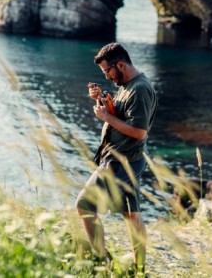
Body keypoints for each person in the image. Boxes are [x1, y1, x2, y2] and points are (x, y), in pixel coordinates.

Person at [75, 42, 158, 275]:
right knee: (132, 217)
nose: (108, 77)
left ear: (120, 64)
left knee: (84, 205)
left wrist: (104, 117)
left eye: (107, 72)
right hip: (128, 160)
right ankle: (139, 270)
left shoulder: (140, 89)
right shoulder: (127, 84)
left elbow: (140, 131)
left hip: (120, 162)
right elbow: (120, 116)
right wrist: (101, 99)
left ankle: (103, 264)